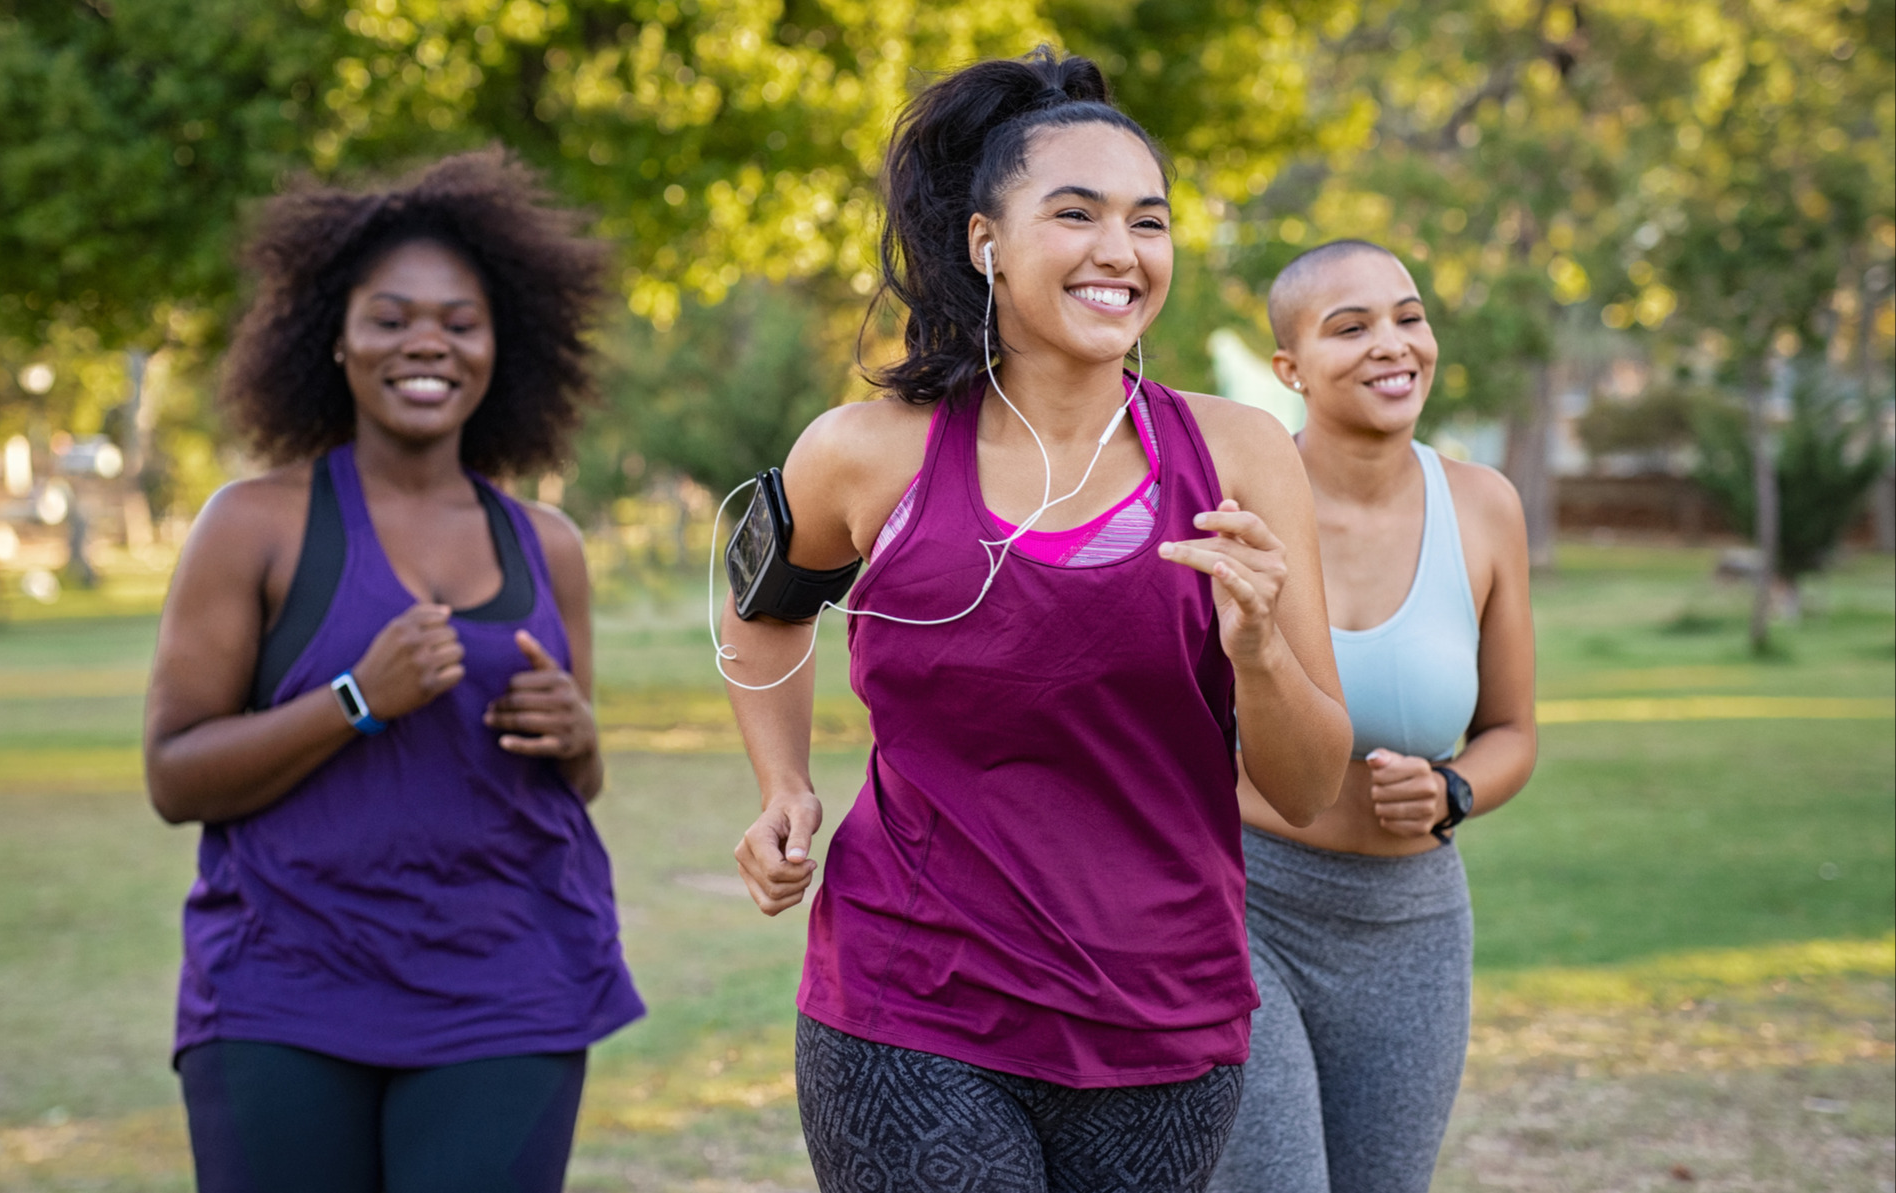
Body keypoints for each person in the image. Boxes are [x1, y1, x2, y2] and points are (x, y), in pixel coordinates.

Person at [720, 49, 1353, 1193]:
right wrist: (782, 782)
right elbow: (760, 605)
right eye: (1077, 213)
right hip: (911, 1000)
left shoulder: (1242, 456)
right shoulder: (867, 452)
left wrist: (1256, 649)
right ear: (985, 242)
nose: (1121, 250)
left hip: (1163, 1016)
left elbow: (1307, 786)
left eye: (1148, 221)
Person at [141, 150, 642, 1193]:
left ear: (502, 345)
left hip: (507, 984)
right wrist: (357, 699)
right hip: (286, 987)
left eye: (461, 321)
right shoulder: (255, 525)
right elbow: (175, 774)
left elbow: (576, 780)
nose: (427, 342)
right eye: (391, 316)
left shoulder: (545, 544)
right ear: (334, 336)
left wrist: (580, 736)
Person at [1207, 240, 1539, 1193]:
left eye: (1407, 316)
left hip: (1413, 927)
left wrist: (1454, 788)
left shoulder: (1484, 508)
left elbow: (1513, 730)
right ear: (1289, 369)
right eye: (1348, 328)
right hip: (1245, 906)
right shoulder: (1230, 510)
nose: (1391, 345)